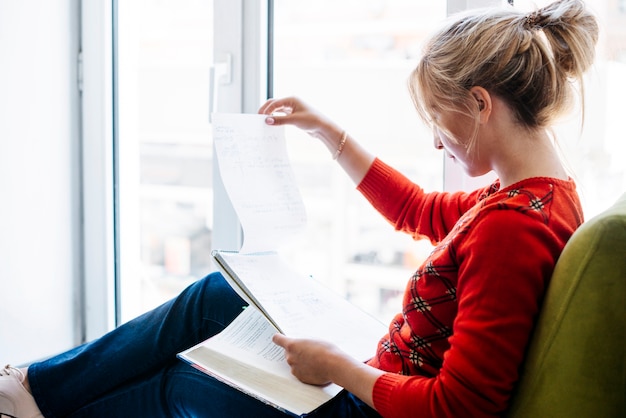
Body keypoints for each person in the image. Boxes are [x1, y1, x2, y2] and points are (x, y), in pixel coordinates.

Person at [1, 0, 598, 417]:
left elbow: (456, 407)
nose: (436, 141)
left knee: (181, 382)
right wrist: (327, 132)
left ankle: (36, 401)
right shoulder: (538, 194)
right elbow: (418, 210)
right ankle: (35, 388)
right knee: (214, 294)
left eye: (438, 120)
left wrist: (337, 368)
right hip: (375, 373)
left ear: (479, 103)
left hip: (370, 405)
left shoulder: (511, 230)